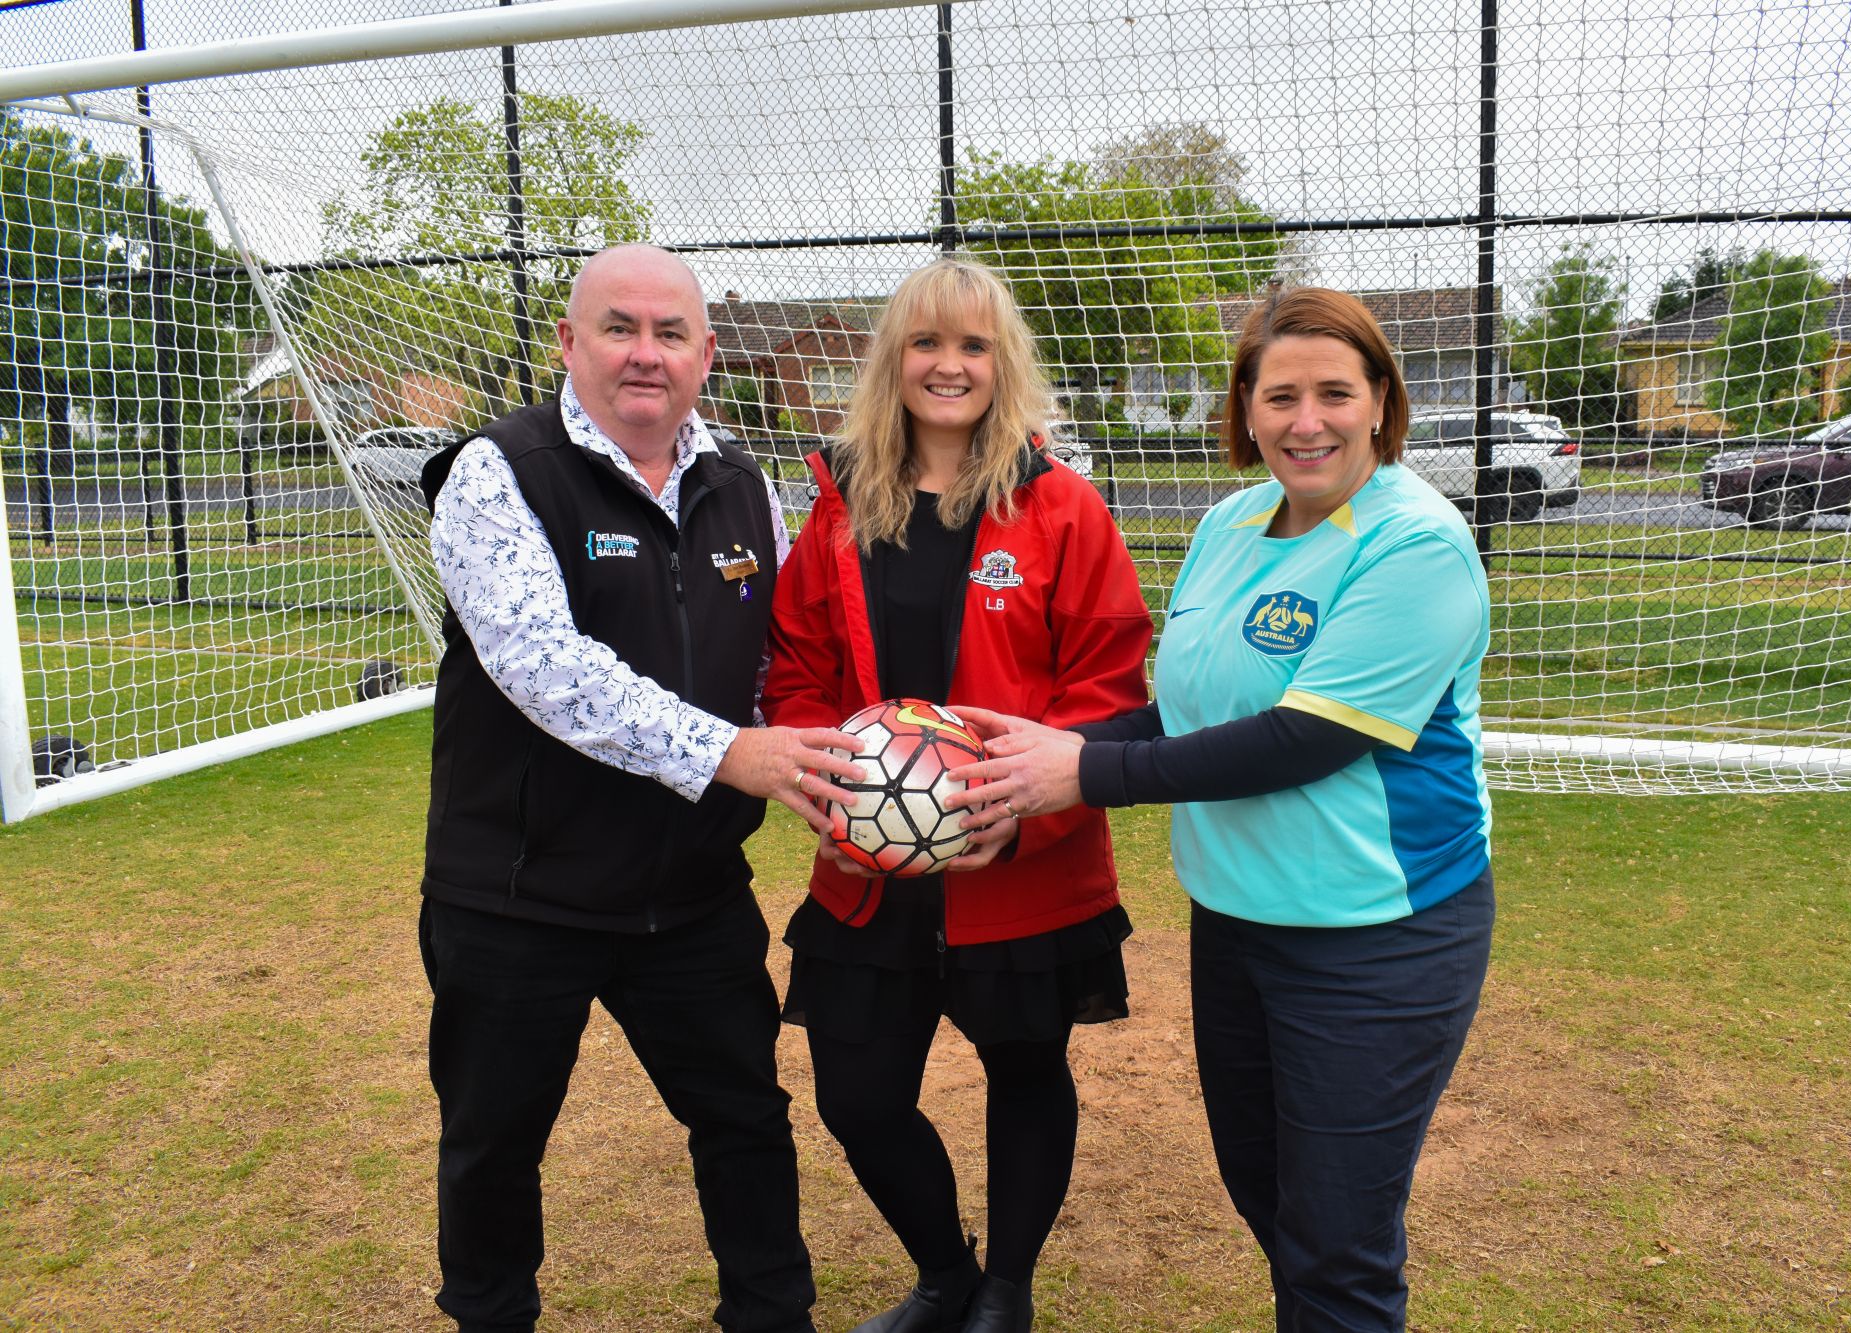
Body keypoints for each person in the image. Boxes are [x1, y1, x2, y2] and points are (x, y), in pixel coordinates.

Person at [947, 287, 1494, 1332]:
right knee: (1269, 1200)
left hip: (1376, 939)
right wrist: (1031, 756)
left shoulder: (1414, 542)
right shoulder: (1229, 524)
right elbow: (1180, 711)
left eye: (1334, 392)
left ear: (1380, 401)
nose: (1305, 419)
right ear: (1244, 409)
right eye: (1277, 394)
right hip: (1235, 923)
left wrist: (1083, 776)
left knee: (1336, 1246)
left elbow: (1307, 736)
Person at [417, 244, 867, 1333]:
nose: (644, 354)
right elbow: (541, 663)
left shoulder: (743, 486)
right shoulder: (496, 472)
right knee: (494, 1142)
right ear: (568, 343)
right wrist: (733, 753)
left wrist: (831, 755)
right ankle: (489, 1316)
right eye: (618, 328)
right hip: (518, 896)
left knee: (746, 1121)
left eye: (670, 334)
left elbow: (774, 664)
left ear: (706, 355)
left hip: (692, 894)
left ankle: (771, 1315)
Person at [761, 257, 1153, 1333]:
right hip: (869, 871)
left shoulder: (1060, 507)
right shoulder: (840, 508)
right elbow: (795, 669)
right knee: (856, 1093)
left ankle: (1008, 1290)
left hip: (1020, 867)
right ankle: (944, 1272)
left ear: (1002, 364)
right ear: (894, 361)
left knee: (1024, 1069)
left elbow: (1107, 687)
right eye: (926, 343)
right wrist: (823, 793)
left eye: (972, 345)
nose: (948, 364)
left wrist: (1024, 805)